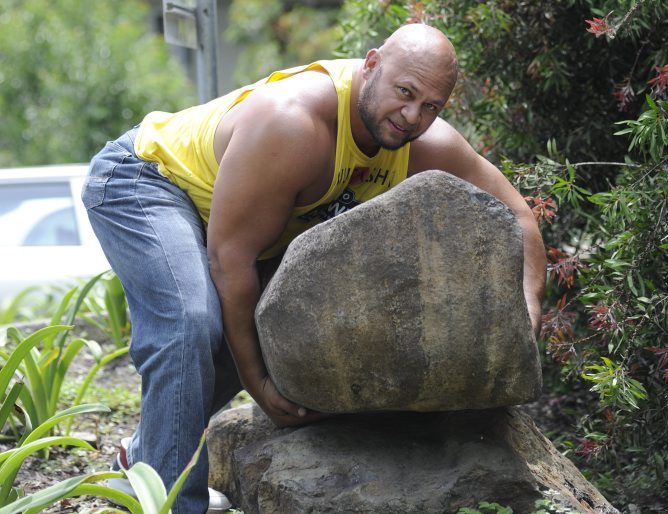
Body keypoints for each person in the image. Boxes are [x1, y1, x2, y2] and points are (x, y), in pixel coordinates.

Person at [82, 23, 545, 514]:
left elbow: (516, 214)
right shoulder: (295, 123)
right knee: (191, 322)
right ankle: (175, 502)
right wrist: (258, 384)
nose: (413, 116)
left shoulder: (422, 141)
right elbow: (230, 259)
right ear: (370, 65)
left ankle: (151, 453)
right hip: (147, 181)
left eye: (432, 106)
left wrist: (526, 310)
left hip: (230, 227)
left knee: (268, 326)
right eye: (405, 93)